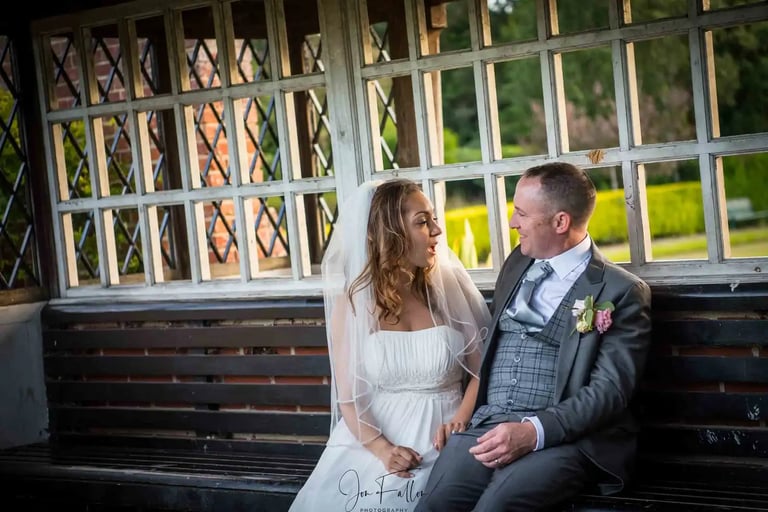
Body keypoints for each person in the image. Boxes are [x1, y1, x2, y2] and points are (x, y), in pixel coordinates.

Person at [415, 162, 652, 511]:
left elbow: (608, 394)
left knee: (495, 508)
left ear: (560, 222)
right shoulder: (517, 264)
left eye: (521, 213)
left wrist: (533, 432)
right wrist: (468, 415)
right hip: (489, 426)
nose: (512, 223)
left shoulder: (620, 292)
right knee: (435, 506)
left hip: (567, 440)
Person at [289, 178, 491, 512]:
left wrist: (461, 419)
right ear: (390, 233)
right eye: (422, 222)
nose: (437, 231)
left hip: (446, 437)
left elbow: (482, 371)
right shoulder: (353, 305)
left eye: (433, 219)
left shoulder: (443, 295)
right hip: (376, 438)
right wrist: (384, 451)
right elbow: (350, 400)